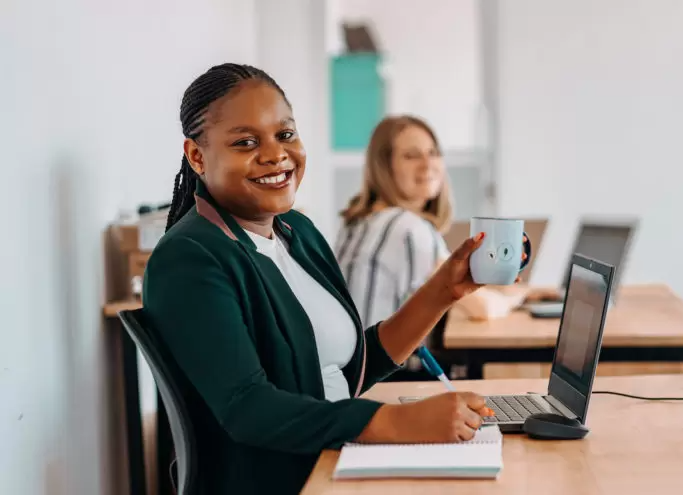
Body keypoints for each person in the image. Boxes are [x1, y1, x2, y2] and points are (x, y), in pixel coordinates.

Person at [142, 64, 513, 495]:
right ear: (197, 156)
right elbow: (249, 408)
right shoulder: (189, 258)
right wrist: (397, 420)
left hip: (336, 458)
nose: (276, 155)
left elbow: (350, 368)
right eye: (246, 142)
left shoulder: (298, 233)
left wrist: (443, 291)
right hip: (286, 479)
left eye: (285, 135)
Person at [336, 116, 530, 364]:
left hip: (349, 373)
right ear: (384, 167)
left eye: (433, 152)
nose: (428, 164)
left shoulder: (357, 222)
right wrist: (520, 296)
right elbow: (483, 310)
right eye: (411, 156)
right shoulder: (407, 229)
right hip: (379, 378)